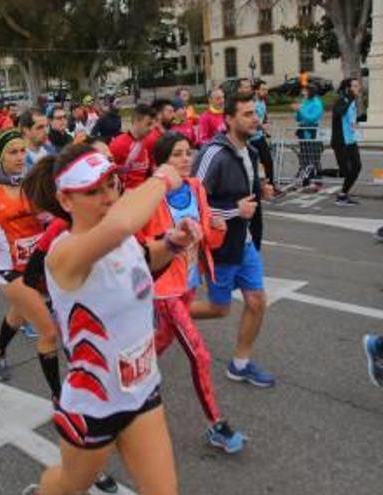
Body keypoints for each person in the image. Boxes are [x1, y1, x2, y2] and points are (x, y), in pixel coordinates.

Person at [20, 144, 192, 495]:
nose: (108, 197)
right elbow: (120, 223)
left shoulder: (124, 239)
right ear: (66, 201)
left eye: (112, 185)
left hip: (142, 391)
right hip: (94, 405)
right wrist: (161, 178)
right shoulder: (64, 253)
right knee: (69, 486)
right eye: (92, 191)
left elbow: (144, 259)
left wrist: (174, 243)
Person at [142, 132, 246, 453]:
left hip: (188, 283)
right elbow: (144, 247)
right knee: (199, 354)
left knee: (162, 340)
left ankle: (131, 377)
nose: (186, 159)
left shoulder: (197, 189)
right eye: (176, 154)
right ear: (161, 164)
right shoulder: (150, 197)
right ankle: (216, 425)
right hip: (164, 289)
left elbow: (207, 243)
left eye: (188, 152)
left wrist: (217, 228)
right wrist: (170, 237)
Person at [191, 92, 276, 388]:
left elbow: (246, 190)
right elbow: (193, 200)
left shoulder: (250, 152)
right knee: (220, 308)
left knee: (256, 301)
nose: (255, 119)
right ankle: (163, 311)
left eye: (256, 113)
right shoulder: (213, 153)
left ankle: (240, 365)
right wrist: (233, 210)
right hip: (221, 244)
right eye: (247, 114)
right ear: (228, 119)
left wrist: (262, 189)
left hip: (246, 241)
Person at [0, 129, 54, 379]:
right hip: (8, 266)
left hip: (38, 262)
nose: (19, 157)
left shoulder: (35, 183)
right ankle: (59, 395)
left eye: (22, 151)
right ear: (0, 157)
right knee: (48, 329)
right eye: (12, 152)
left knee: (19, 313)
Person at [332, 78, 363, 206]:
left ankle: (342, 195)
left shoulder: (352, 101)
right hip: (341, 141)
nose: (358, 88)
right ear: (347, 88)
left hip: (351, 140)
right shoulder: (342, 99)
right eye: (355, 86)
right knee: (345, 171)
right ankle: (316, 172)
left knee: (357, 167)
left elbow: (351, 119)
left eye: (358, 86)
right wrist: (349, 98)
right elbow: (338, 112)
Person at [109, 103, 156, 190]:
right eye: (148, 124)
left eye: (153, 125)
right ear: (136, 121)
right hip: (126, 198)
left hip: (144, 193)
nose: (151, 128)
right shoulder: (118, 145)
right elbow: (108, 172)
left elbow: (151, 169)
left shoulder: (149, 142)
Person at [293, 84, 324, 191]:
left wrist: (300, 110)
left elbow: (311, 118)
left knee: (314, 157)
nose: (302, 93)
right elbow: (298, 118)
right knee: (304, 157)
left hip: (312, 132)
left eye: (304, 91)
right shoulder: (305, 101)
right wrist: (297, 111)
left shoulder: (317, 103)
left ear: (310, 91)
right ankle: (304, 179)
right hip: (303, 132)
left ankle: (317, 180)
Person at [249, 80, 277, 194]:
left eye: (267, 90)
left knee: (268, 161)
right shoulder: (251, 104)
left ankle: (271, 186)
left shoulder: (262, 103)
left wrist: (266, 125)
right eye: (263, 90)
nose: (266, 92)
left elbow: (263, 118)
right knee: (252, 165)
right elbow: (252, 120)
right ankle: (253, 188)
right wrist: (262, 126)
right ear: (256, 91)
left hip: (259, 137)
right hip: (249, 139)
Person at [144, 99, 175, 167]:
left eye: (173, 112)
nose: (174, 116)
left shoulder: (167, 133)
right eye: (170, 112)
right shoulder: (153, 138)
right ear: (158, 114)